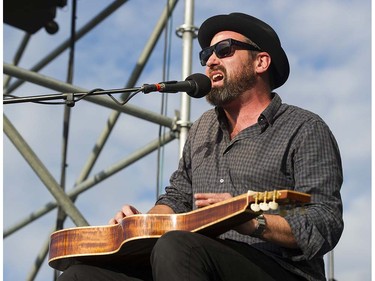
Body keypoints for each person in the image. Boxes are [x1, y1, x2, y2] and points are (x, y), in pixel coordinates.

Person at [57, 12, 343, 281]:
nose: (210, 61)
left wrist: (250, 221)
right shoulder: (202, 129)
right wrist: (139, 225)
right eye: (206, 54)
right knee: (79, 275)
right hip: (193, 260)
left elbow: (325, 221)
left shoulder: (304, 127)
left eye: (225, 50)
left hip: (279, 269)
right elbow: (178, 198)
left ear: (261, 62)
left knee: (177, 246)